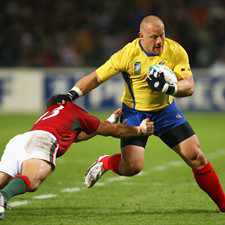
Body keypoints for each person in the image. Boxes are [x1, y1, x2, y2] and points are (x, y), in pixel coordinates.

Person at [49, 15, 225, 212]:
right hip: (135, 114)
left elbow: (189, 85)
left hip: (166, 111)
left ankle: (223, 205)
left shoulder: (175, 50)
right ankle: (106, 162)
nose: (159, 41)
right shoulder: (127, 54)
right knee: (132, 167)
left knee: (196, 156)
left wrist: (171, 88)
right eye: (153, 37)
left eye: (162, 36)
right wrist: (71, 95)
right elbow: (96, 77)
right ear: (141, 36)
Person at [0, 97, 154, 219]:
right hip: (43, 140)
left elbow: (77, 136)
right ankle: (3, 197)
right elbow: (111, 131)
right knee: (32, 180)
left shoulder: (50, 115)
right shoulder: (72, 110)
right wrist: (139, 130)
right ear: (65, 102)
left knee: (3, 178)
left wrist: (109, 121)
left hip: (20, 140)